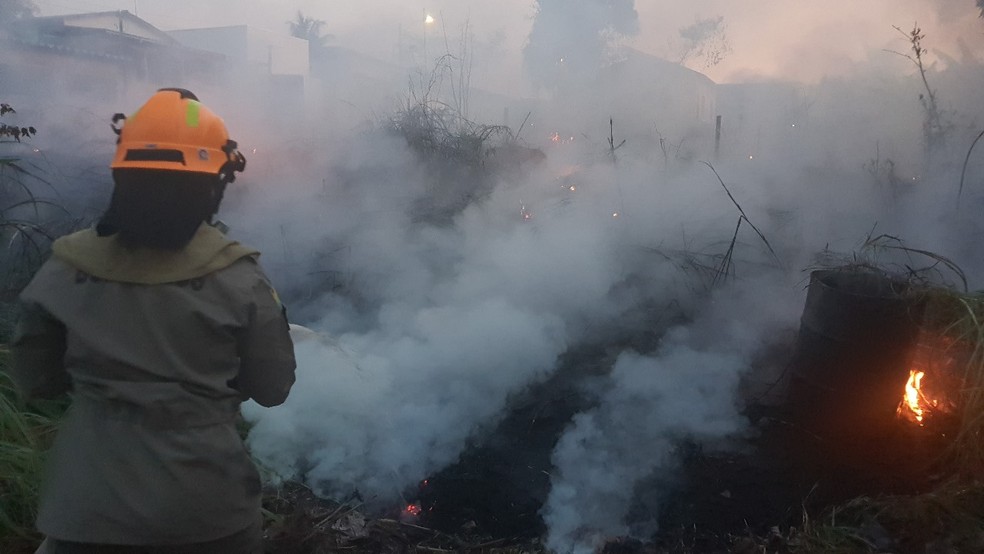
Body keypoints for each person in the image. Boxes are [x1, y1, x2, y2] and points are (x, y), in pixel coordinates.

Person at [9, 88, 297, 553]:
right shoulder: (238, 278)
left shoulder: (64, 267)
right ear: (214, 183)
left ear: (123, 174)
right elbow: (273, 387)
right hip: (207, 515)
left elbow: (37, 382)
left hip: (87, 512)